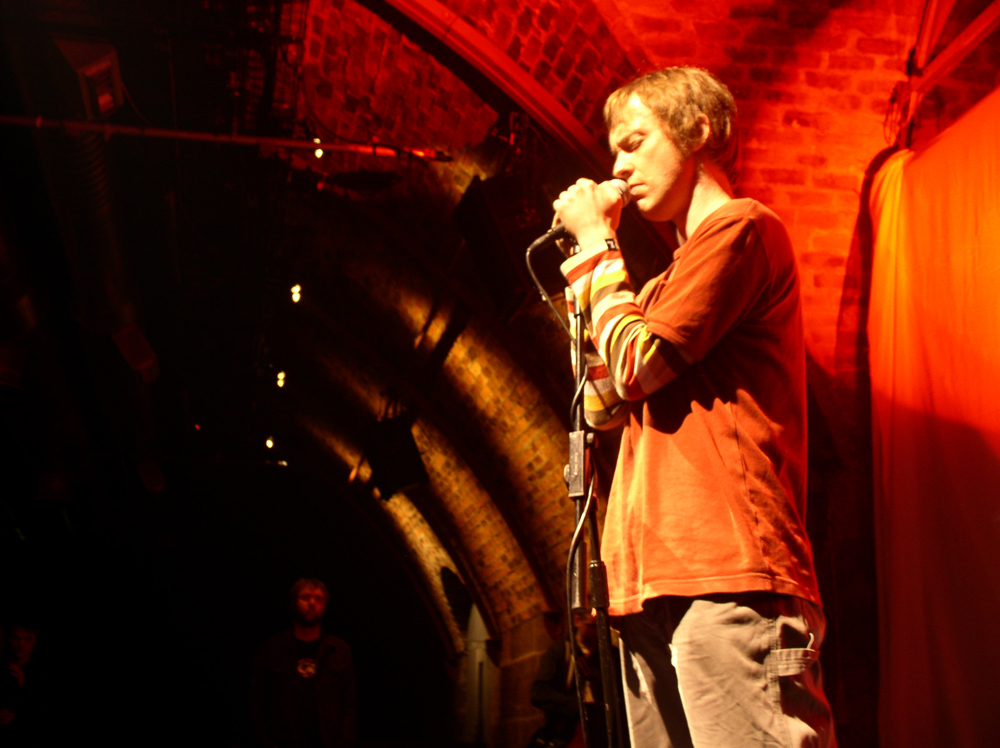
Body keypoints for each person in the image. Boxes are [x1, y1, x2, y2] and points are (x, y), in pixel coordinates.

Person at [552, 67, 836, 748]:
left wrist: (598, 246)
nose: (617, 165)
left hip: (728, 574)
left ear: (698, 130)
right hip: (649, 581)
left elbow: (636, 365)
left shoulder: (743, 230)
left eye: (633, 142)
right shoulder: (652, 290)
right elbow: (599, 403)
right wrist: (585, 283)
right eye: (613, 150)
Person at [250, 578, 356, 748]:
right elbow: (256, 704)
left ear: (325, 605)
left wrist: (344, 742)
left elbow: (349, 704)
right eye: (306, 597)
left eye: (318, 599)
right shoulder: (271, 650)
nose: (312, 603)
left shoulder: (338, 650)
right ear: (293, 602)